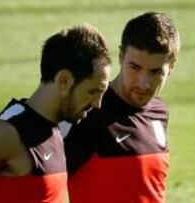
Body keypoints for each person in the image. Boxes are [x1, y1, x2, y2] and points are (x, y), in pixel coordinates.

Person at [0, 23, 111, 203]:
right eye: (92, 92)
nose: (97, 104)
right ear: (63, 80)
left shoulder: (57, 129)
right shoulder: (4, 134)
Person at [63, 12, 180, 203]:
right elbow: (38, 182)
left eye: (156, 72)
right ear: (120, 56)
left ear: (172, 66)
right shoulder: (88, 110)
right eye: (135, 67)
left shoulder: (159, 112)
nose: (144, 83)